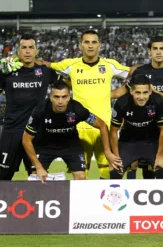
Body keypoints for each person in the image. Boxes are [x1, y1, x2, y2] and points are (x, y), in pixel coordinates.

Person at [32, 30, 131, 179]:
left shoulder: (110, 65)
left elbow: (134, 73)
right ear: (81, 45)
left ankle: (104, 201)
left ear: (99, 45)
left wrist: (113, 93)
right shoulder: (70, 65)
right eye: (87, 42)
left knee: (110, 171)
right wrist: (17, 58)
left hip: (104, 126)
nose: (90, 46)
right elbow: (46, 65)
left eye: (94, 42)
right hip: (79, 127)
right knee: (80, 174)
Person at [118, 35, 163, 179]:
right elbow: (128, 96)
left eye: (162, 49)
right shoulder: (140, 72)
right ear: (149, 51)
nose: (158, 52)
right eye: (155, 49)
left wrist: (159, 94)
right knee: (149, 173)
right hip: (147, 130)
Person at [22, 81, 120, 183]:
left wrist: (107, 151)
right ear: (50, 97)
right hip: (44, 146)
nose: (60, 101)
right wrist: (38, 167)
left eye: (64, 97)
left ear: (69, 97)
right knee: (36, 178)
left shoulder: (76, 108)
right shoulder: (40, 111)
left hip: (70, 146)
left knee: (81, 177)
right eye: (56, 97)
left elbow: (102, 125)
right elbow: (26, 140)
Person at [0, 35, 58, 180]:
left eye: (30, 47)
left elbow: (67, 84)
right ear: (17, 51)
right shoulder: (7, 72)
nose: (27, 51)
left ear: (36, 51)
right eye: (23, 47)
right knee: (2, 176)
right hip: (11, 132)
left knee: (37, 178)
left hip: (35, 133)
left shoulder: (45, 72)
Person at [110, 75, 163, 179]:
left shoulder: (158, 101)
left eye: (145, 92)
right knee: (115, 172)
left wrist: (159, 156)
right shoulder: (121, 103)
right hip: (128, 143)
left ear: (150, 91)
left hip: (151, 142)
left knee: (162, 171)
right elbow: (113, 131)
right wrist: (116, 156)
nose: (141, 97)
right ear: (131, 91)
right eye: (138, 92)